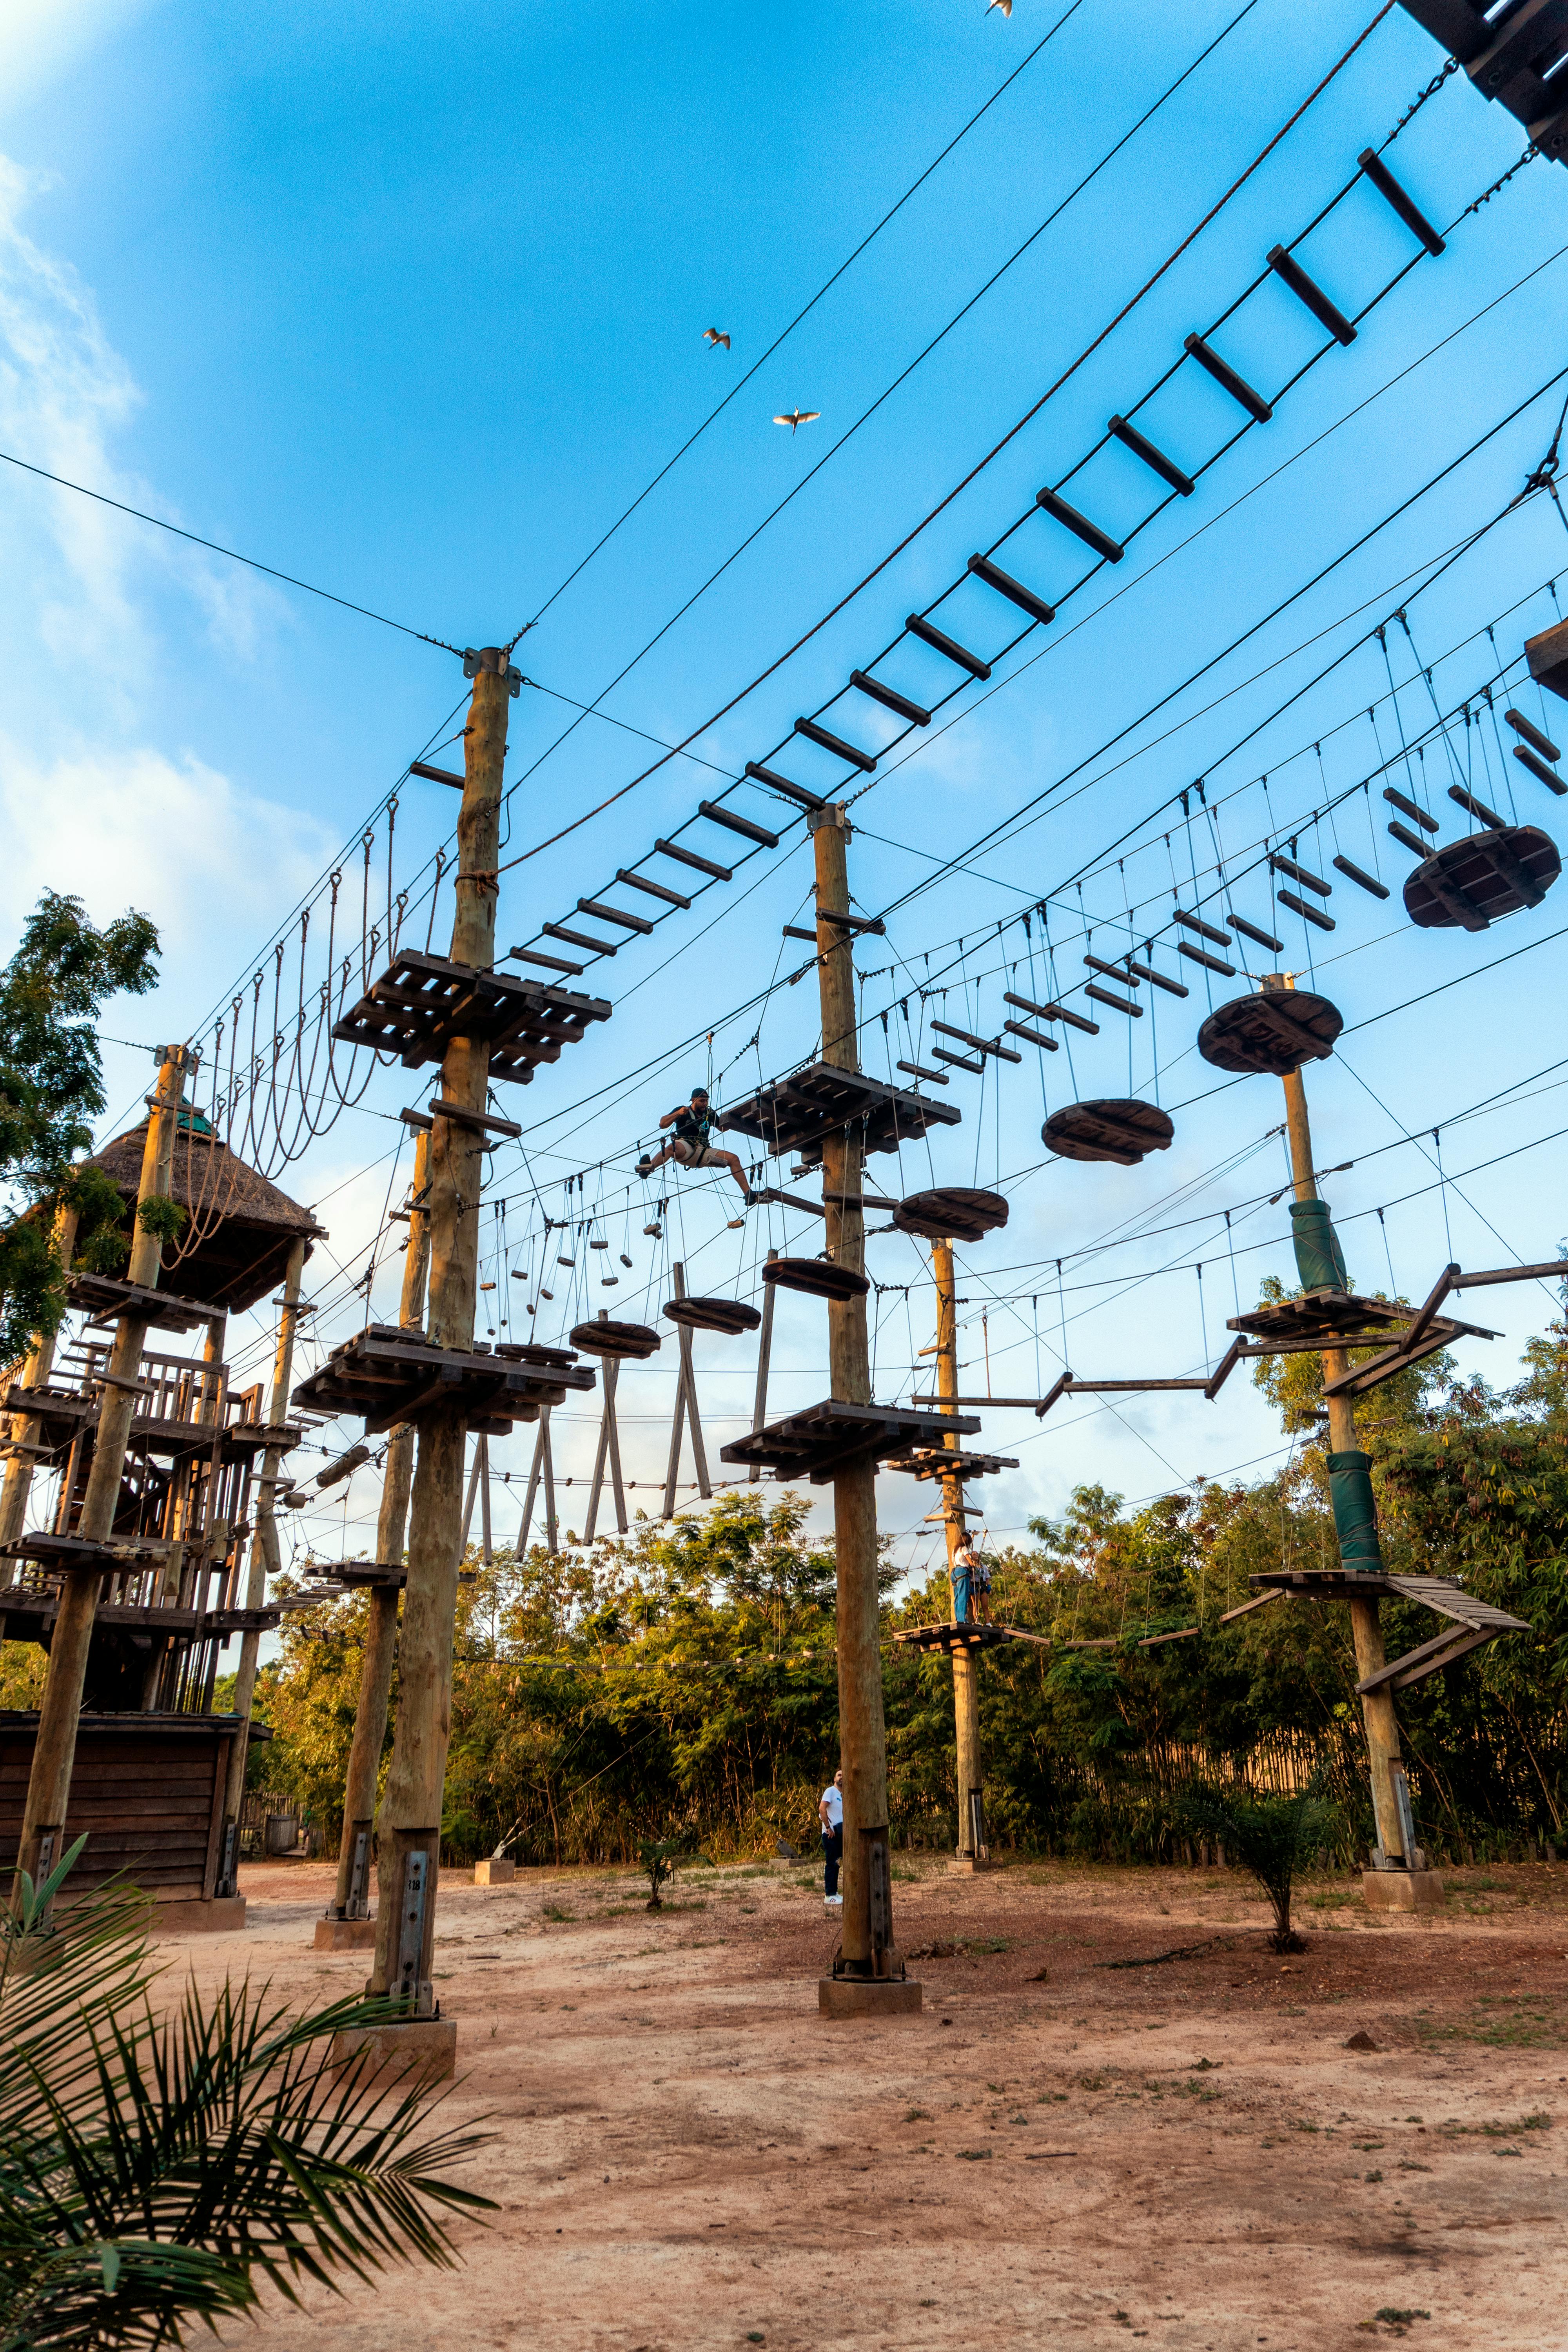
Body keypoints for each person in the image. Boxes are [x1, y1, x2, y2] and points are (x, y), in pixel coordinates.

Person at [637, 1087, 753, 1221]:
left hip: (704, 1150)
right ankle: (649, 1168)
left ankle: (748, 1194)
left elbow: (722, 1128)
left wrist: (740, 1118)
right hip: (685, 1146)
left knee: (734, 1159)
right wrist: (678, 1114)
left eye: (707, 1101)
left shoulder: (710, 1113)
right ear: (693, 1100)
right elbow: (663, 1124)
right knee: (671, 1148)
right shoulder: (683, 1111)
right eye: (702, 1101)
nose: (705, 1104)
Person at [819, 1768, 844, 1907]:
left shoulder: (843, 1795)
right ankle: (829, 1895)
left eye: (844, 1776)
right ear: (835, 1779)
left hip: (840, 1835)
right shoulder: (831, 1791)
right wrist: (828, 1828)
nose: (842, 1777)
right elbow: (822, 1809)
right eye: (839, 1775)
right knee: (831, 1864)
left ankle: (835, 1893)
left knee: (837, 1863)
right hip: (830, 1834)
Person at [951, 1539, 978, 1625]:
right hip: (962, 1572)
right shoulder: (964, 1548)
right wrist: (973, 1564)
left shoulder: (955, 1550)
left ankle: (957, 1618)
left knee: (957, 1597)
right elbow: (970, 1562)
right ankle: (962, 1619)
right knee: (963, 1596)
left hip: (954, 1573)